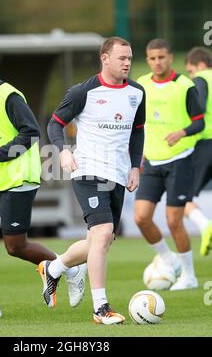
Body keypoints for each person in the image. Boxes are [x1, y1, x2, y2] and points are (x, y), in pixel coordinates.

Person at [0, 49, 86, 318]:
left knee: (15, 247)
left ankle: (69, 266)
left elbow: (31, 133)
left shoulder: (9, 96)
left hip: (19, 178)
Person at [37, 36, 145, 324]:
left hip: (118, 174)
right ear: (105, 58)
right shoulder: (83, 91)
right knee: (103, 231)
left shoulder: (137, 92)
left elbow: (137, 131)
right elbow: (54, 123)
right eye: (122, 58)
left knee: (103, 239)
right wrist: (62, 152)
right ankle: (101, 309)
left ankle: (55, 268)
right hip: (87, 171)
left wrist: (135, 167)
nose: (127, 63)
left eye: (130, 59)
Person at [134, 39, 204, 291]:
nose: (157, 62)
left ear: (170, 57)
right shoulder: (140, 85)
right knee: (141, 218)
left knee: (174, 221)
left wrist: (181, 132)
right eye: (152, 58)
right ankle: (168, 258)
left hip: (180, 161)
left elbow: (200, 122)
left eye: (161, 57)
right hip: (151, 163)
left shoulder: (185, 86)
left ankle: (189, 276)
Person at [184, 46, 212, 256]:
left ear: (200, 65)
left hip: (206, 144)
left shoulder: (202, 78)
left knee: (182, 197)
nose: (191, 76)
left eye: (190, 71)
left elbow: (200, 106)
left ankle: (205, 226)